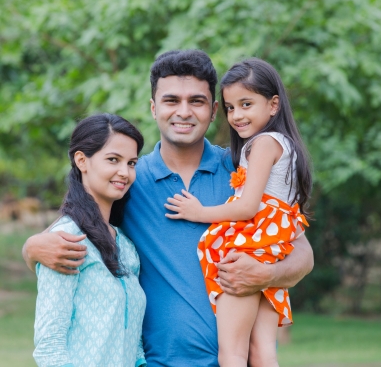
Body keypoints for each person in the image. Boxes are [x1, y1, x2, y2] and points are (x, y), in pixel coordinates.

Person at [23, 50, 314, 367]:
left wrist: (266, 274)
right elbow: (75, 227)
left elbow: (302, 253)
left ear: (215, 110)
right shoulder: (130, 180)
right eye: (172, 100)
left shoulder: (242, 172)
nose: (184, 112)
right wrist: (31, 247)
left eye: (197, 101)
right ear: (153, 107)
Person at [165, 58, 312, 366]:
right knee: (262, 352)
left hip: (249, 244)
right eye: (231, 107)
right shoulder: (282, 145)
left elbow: (247, 207)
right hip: (271, 247)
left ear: (273, 105)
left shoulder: (263, 144)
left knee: (232, 353)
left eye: (246, 104)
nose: (237, 115)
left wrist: (197, 211)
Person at [32, 114, 146, 367]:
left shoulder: (125, 245)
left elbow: (132, 341)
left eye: (131, 163)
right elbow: (49, 346)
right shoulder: (65, 240)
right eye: (113, 160)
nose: (124, 172)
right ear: (82, 160)